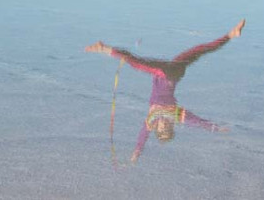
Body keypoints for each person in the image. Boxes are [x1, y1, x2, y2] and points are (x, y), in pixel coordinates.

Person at [85, 19, 245, 163]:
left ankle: (231, 35)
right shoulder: (174, 116)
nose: (163, 125)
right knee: (136, 62)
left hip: (175, 72)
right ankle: (104, 48)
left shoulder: (155, 120)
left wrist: (137, 152)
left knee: (200, 50)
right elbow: (197, 121)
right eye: (166, 128)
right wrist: (214, 128)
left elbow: (143, 135)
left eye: (161, 129)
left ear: (157, 129)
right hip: (166, 73)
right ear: (169, 127)